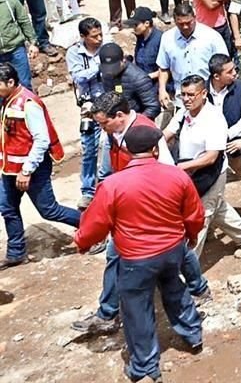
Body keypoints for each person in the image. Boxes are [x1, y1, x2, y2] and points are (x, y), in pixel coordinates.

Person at [73, 125, 204, 380]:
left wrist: (82, 241)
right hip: (173, 249)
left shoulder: (113, 184)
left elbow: (96, 223)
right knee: (175, 289)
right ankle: (193, 334)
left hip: (137, 257)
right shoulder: (177, 176)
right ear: (155, 149)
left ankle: (145, 367)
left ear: (128, 151)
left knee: (136, 309)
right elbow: (194, 214)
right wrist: (191, 236)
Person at [164, 75, 241, 261]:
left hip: (210, 174)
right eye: (183, 94)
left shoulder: (214, 119)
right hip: (189, 174)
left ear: (204, 94)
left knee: (200, 218)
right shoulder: (183, 112)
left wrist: (182, 167)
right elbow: (167, 133)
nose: (186, 99)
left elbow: (211, 157)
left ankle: (186, 273)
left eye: (191, 94)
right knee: (218, 209)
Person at [0, 62, 80, 269]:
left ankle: (91, 227)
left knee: (49, 210)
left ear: (10, 82)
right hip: (10, 168)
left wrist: (26, 170)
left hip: (32, 169)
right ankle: (16, 253)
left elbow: (41, 140)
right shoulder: (7, 100)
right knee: (8, 208)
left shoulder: (28, 104)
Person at [157, 3, 228, 111]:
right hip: (182, 100)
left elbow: (224, 66)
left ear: (195, 18)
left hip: (208, 98)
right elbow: (164, 68)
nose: (185, 27)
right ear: (175, 21)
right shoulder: (167, 38)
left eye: (188, 22)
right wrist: (162, 89)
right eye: (180, 24)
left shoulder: (211, 37)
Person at [65, 17, 105, 208]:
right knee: (89, 149)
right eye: (94, 36)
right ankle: (88, 191)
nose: (99, 39)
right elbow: (78, 77)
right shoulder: (74, 53)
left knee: (111, 146)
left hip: (108, 104)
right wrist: (100, 67)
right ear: (83, 37)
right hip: (89, 106)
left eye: (100, 35)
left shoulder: (107, 46)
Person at [98, 42, 161, 120]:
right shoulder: (106, 74)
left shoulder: (139, 78)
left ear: (123, 60)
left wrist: (134, 123)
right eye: (107, 69)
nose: (110, 72)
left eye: (114, 67)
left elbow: (153, 107)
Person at [0, 0, 39, 90]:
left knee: (24, 85)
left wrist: (32, 42)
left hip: (16, 50)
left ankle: (28, 105)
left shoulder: (10, 0)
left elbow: (24, 21)